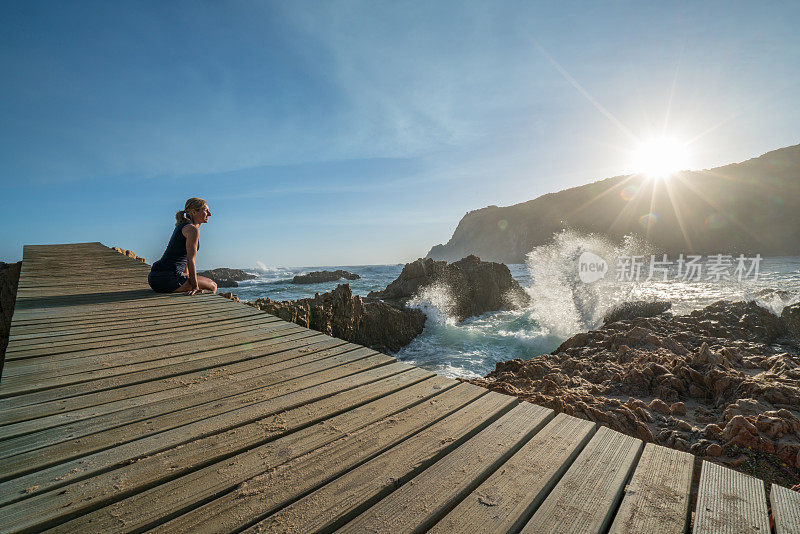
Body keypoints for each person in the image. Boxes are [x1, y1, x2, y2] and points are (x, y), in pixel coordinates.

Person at [148, 197, 218, 295]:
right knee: (213, 285)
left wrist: (190, 280)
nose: (210, 214)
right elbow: (190, 260)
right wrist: (195, 287)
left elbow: (184, 261)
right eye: (206, 210)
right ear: (194, 212)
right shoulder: (192, 230)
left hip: (155, 278)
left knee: (205, 282)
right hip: (168, 280)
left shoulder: (182, 226)